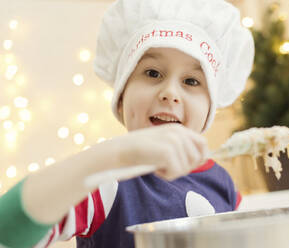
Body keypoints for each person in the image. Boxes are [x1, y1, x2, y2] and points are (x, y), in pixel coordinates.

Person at [0, 0, 254, 247]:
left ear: (210, 108)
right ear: (121, 98)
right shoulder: (105, 180)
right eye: (153, 73)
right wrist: (112, 157)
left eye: (191, 81)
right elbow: (6, 231)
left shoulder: (223, 184)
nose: (170, 92)